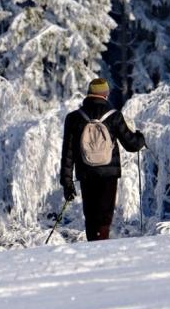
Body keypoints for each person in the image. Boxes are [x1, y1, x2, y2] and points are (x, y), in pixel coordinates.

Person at [60, 78, 145, 241]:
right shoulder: (114, 116)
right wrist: (140, 138)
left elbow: (67, 154)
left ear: (89, 94)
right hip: (108, 173)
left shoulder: (74, 118)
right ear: (105, 94)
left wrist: (67, 183)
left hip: (86, 173)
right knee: (104, 217)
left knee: (91, 217)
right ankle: (101, 248)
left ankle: (93, 246)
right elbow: (131, 145)